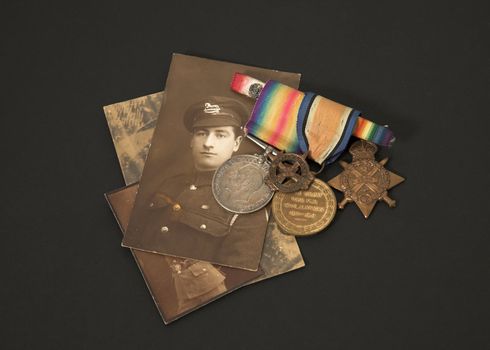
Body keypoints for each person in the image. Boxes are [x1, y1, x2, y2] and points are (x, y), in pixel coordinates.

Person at [145, 96, 269, 270]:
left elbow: (234, 277)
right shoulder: (169, 185)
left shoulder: (247, 204)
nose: (208, 143)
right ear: (191, 140)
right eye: (202, 133)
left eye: (220, 135)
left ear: (236, 143)